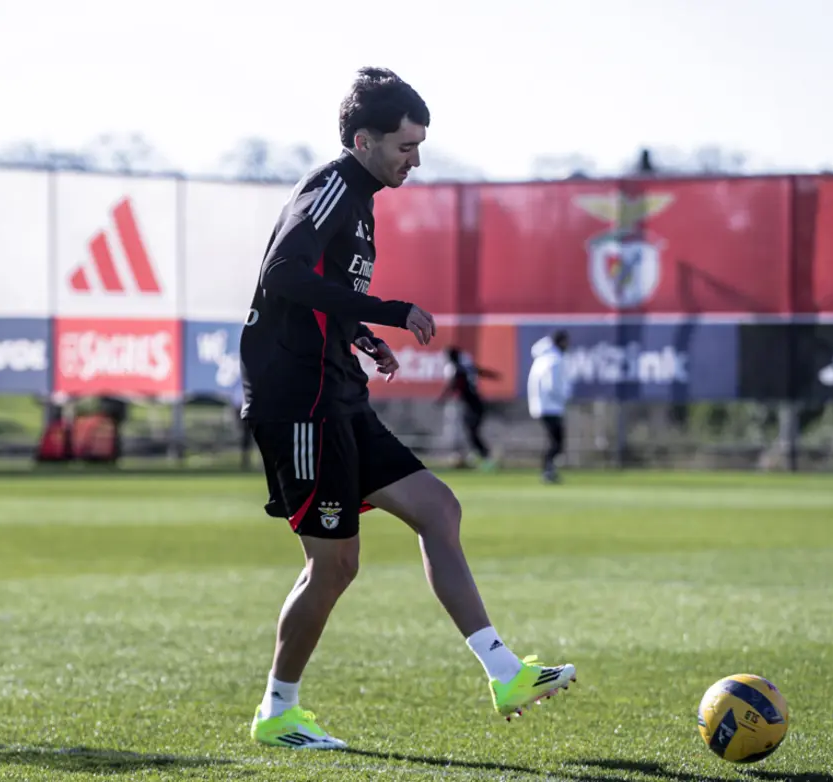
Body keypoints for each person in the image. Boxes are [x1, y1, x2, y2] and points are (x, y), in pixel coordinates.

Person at [238, 66, 577, 750]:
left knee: (438, 508)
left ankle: (504, 673)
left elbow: (317, 290)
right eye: (405, 146)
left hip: (338, 390)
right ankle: (278, 712)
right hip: (299, 403)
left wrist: (360, 336)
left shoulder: (360, 200)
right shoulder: (332, 187)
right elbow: (281, 276)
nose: (415, 159)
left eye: (419, 146)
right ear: (363, 141)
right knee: (333, 565)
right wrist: (388, 311)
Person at [436, 346, 501, 468]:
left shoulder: (459, 370)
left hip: (474, 405)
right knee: (470, 431)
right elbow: (480, 371)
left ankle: (486, 456)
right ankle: (481, 455)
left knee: (472, 431)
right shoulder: (464, 367)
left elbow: (453, 385)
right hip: (471, 404)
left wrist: (441, 398)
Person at [527, 330, 572, 483]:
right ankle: (547, 470)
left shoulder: (542, 359)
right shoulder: (553, 360)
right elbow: (552, 385)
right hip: (551, 407)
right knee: (556, 442)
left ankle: (549, 470)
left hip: (542, 406)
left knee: (554, 441)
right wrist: (564, 397)